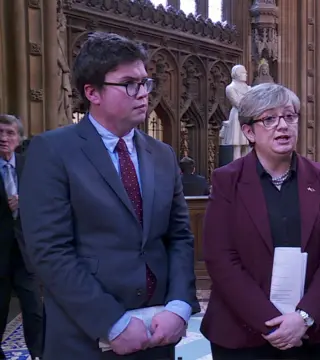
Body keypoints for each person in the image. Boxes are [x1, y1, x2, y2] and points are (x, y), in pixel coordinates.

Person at [20, 32, 199, 359]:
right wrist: (111, 323)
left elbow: (180, 237)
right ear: (93, 92)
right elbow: (50, 251)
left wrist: (179, 305)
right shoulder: (53, 151)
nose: (143, 93)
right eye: (130, 83)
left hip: (156, 332)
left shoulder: (162, 154)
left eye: (146, 82)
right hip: (85, 336)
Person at [200, 83, 320, 359]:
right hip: (242, 332)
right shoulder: (227, 180)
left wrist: (304, 316)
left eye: (289, 116)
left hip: (313, 331)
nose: (283, 126)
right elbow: (220, 258)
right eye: (269, 119)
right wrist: (270, 322)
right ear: (248, 131)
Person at [0, 115, 43, 360]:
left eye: (10, 133)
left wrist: (24, 203)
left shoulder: (31, 166)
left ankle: (39, 354)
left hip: (26, 253)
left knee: (35, 309)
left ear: (19, 139)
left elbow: (46, 204)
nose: (3, 138)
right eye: (0, 132)